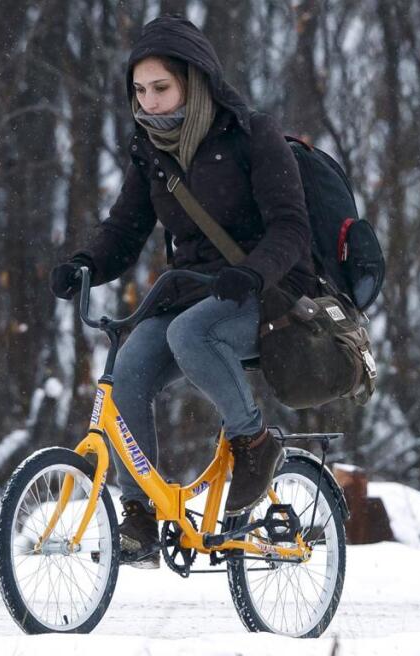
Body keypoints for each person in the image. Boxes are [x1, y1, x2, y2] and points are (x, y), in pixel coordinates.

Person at [48, 15, 316, 568]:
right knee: (129, 369)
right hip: (193, 291)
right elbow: (125, 230)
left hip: (267, 293)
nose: (150, 103)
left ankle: (254, 443)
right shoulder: (151, 149)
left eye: (161, 88)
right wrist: (84, 264)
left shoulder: (250, 134)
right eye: (140, 91)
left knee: (191, 332)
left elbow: (292, 226)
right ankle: (142, 515)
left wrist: (254, 272)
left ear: (195, 82)